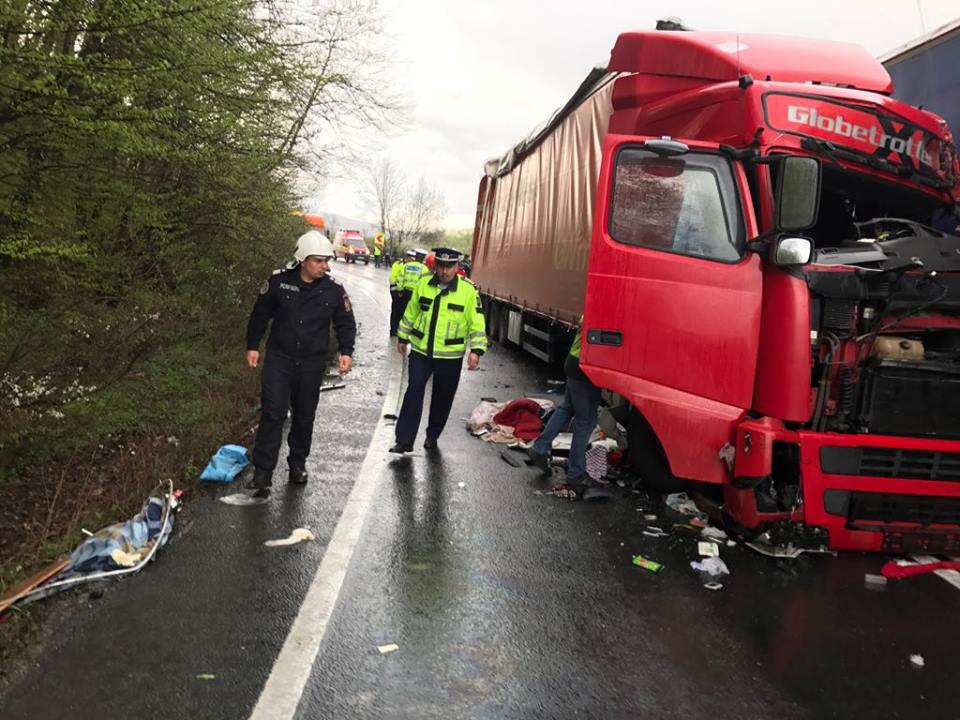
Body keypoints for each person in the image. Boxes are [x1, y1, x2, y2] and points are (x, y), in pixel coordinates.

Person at [245, 230, 357, 492]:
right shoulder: (279, 283)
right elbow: (260, 315)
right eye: (319, 260)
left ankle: (297, 464)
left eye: (326, 261)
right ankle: (263, 471)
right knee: (273, 412)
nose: (324, 266)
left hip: (311, 364)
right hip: (280, 360)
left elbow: (345, 323)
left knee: (304, 416)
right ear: (303, 260)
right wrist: (252, 345)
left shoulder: (333, 290)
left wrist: (346, 351)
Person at [390, 247, 487, 453]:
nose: (444, 271)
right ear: (435, 266)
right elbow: (411, 312)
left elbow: (477, 322)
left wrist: (476, 350)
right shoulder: (423, 284)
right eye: (441, 266)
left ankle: (432, 435)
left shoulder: (468, 291)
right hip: (421, 352)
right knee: (414, 390)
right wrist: (402, 337)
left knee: (443, 398)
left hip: (450, 357)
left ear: (457, 266)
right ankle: (404, 440)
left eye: (449, 267)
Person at [526, 322, 603, 495]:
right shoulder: (605, 313)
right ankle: (575, 473)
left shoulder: (591, 310)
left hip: (574, 362)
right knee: (585, 421)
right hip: (587, 366)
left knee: (566, 409)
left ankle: (539, 448)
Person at [389, 249, 414, 337]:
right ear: (406, 257)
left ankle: (399, 330)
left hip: (403, 292)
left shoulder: (410, 266)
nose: (411, 260)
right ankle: (393, 330)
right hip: (396, 291)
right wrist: (398, 291)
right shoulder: (398, 264)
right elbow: (393, 278)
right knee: (396, 311)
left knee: (402, 312)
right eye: (410, 258)